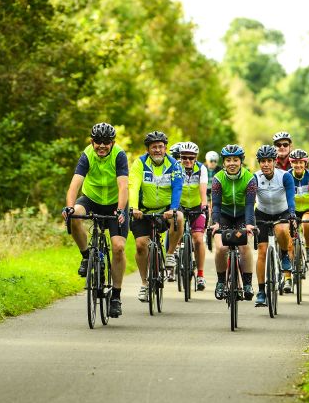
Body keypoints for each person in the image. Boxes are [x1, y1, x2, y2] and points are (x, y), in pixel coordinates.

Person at [62, 122, 129, 318]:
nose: (102, 145)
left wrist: (120, 211)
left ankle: (115, 296)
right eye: (98, 142)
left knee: (118, 247)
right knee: (74, 215)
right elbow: (75, 184)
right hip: (91, 199)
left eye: (106, 142)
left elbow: (123, 186)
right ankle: (86, 256)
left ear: (112, 142)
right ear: (92, 142)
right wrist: (69, 206)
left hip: (116, 203)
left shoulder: (119, 155)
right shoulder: (87, 154)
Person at [130, 130, 183, 302]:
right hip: (143, 211)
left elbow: (177, 187)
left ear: (166, 148)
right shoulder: (139, 164)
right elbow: (133, 186)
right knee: (140, 245)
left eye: (161, 147)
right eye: (154, 147)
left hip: (166, 209)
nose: (158, 150)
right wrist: (134, 207)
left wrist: (173, 208)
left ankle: (169, 254)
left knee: (179, 218)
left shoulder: (174, 164)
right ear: (148, 149)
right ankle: (145, 284)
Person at [210, 144, 257, 300]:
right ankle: (221, 282)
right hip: (223, 215)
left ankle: (248, 283)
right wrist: (215, 222)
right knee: (221, 248)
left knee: (244, 246)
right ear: (223, 163)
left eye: (235, 160)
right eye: (228, 160)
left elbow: (250, 204)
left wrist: (250, 224)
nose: (232, 163)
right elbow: (215, 205)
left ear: (241, 161)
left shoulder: (250, 178)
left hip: (243, 216)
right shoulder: (217, 179)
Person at [253, 144, 297, 305]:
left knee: (281, 228)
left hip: (282, 212)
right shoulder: (255, 177)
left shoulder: (285, 176)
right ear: (259, 163)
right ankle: (261, 291)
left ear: (274, 162)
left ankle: (284, 254)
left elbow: (291, 197)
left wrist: (292, 213)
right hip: (262, 214)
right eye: (262, 161)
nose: (265, 164)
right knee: (262, 252)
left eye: (269, 161)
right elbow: (250, 201)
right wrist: (249, 219)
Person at [176, 141, 209, 290]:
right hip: (180, 206)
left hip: (196, 206)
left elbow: (203, 188)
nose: (187, 161)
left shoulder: (202, 168)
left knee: (198, 239)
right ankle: (177, 255)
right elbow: (173, 188)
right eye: (184, 158)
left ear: (196, 158)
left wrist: (204, 204)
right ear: (180, 157)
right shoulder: (176, 168)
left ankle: (200, 275)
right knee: (177, 234)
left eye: (191, 158)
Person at [288, 149, 309, 263]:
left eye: (301, 162)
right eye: (295, 162)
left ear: (305, 163)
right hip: (292, 210)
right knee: (289, 240)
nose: (298, 165)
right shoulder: (287, 176)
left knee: (307, 223)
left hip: (306, 209)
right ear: (291, 163)